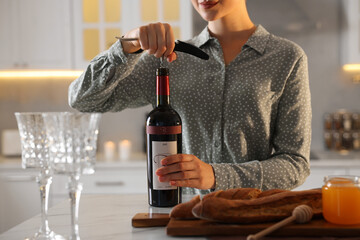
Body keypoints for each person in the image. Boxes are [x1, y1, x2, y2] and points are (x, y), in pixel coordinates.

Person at [68, 0, 311, 194]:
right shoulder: (168, 59)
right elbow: (84, 100)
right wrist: (127, 45)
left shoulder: (287, 58)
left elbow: (295, 164)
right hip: (183, 219)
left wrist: (216, 176)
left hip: (252, 219)